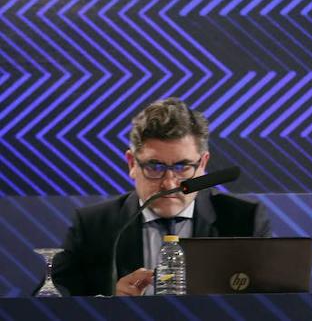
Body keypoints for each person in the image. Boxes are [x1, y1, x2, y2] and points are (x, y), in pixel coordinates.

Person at [49, 97, 271, 296]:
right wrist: (107, 304)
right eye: (154, 167)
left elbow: (276, 306)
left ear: (202, 164)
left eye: (183, 167)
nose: (169, 183)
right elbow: (48, 305)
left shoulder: (244, 221)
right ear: (132, 163)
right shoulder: (94, 225)